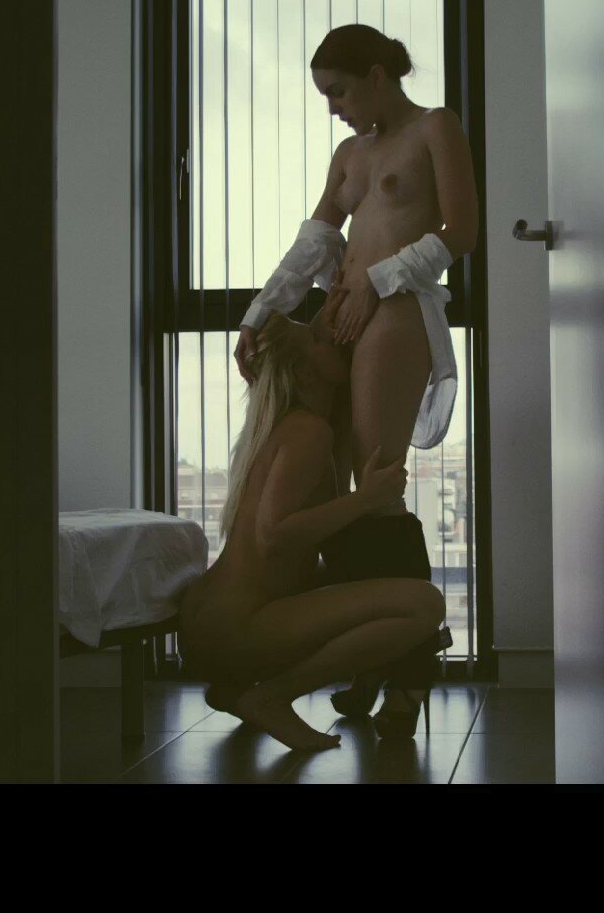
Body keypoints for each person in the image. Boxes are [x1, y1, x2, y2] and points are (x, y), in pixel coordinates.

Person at [232, 24, 479, 738]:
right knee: (338, 497)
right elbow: (317, 239)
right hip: (339, 312)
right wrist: (260, 314)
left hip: (396, 310)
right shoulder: (348, 154)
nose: (333, 107)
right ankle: (375, 655)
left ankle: (408, 676)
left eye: (338, 91)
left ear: (376, 75)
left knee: (376, 486)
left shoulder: (435, 127)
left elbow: (461, 233)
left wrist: (377, 279)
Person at [178, 309, 447, 752]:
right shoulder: (306, 432)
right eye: (321, 342)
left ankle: (233, 688)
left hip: (211, 625)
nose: (334, 341)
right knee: (425, 604)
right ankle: (273, 696)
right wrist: (368, 498)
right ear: (305, 372)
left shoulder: (290, 426)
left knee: (383, 585)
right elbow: (274, 536)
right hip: (237, 628)